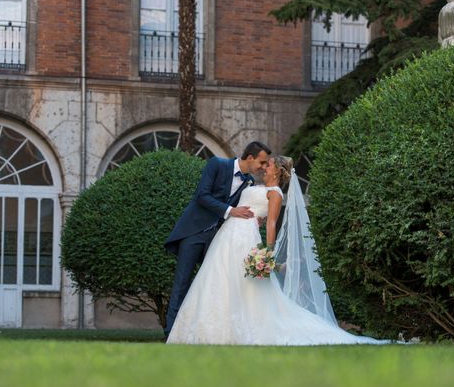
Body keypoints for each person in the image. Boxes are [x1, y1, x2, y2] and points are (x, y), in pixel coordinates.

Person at [167, 155, 390, 345]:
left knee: (244, 286)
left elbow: (272, 222)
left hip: (245, 239)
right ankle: (201, 330)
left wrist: (267, 252)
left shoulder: (274, 193)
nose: (265, 167)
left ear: (277, 171)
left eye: (270, 164)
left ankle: (235, 330)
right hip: (226, 237)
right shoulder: (253, 186)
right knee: (217, 279)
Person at [164, 141, 271, 339]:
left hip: (220, 239)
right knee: (182, 282)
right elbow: (202, 196)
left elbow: (249, 206)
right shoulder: (217, 164)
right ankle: (171, 333)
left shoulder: (249, 182)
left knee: (211, 285)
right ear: (250, 158)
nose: (264, 167)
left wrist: (258, 216)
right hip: (194, 232)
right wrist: (231, 210)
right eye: (262, 163)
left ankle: (205, 331)